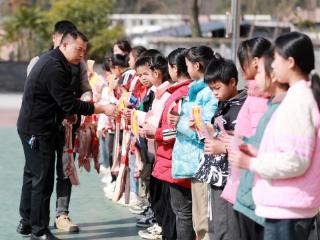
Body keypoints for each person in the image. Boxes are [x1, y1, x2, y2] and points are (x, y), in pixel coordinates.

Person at [16, 29, 118, 240]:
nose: (81, 54)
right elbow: (67, 102)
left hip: (45, 126)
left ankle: (29, 223)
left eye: (84, 50)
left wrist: (69, 115)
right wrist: (101, 108)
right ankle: (39, 231)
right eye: (78, 49)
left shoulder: (61, 62)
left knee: (35, 176)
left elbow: (62, 102)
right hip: (38, 129)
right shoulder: (53, 66)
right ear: (63, 44)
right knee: (41, 180)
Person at [229, 31, 320, 240]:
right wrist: (256, 152)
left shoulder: (298, 100)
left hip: (288, 207)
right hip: (286, 204)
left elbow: (296, 161)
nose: (272, 66)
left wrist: (251, 163)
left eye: (275, 60)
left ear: (290, 62)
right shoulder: (298, 97)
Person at [26, 20, 92, 233]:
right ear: (57, 39)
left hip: (67, 128)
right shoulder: (40, 61)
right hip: (44, 127)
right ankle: (30, 218)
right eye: (62, 38)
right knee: (37, 174)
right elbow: (36, 96)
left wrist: (88, 100)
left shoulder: (79, 64)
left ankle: (62, 214)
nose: (76, 50)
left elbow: (85, 89)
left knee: (65, 170)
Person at [232, 48, 289, 240]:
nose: (256, 79)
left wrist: (246, 155)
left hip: (261, 196)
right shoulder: (273, 105)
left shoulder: (281, 108)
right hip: (253, 192)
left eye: (260, 73)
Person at [193, 57, 246, 240]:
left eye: (217, 88)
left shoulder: (241, 108)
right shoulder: (224, 104)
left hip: (230, 178)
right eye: (211, 89)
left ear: (232, 82)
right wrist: (206, 129)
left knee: (225, 226)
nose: (214, 93)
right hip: (218, 174)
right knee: (215, 223)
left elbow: (246, 142)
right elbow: (219, 131)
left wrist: (222, 147)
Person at [171, 46, 218, 240]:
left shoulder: (208, 92)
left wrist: (179, 122)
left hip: (201, 161)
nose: (187, 69)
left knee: (203, 221)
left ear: (197, 65)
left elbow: (203, 128)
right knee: (198, 220)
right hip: (193, 161)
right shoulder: (197, 90)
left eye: (188, 65)